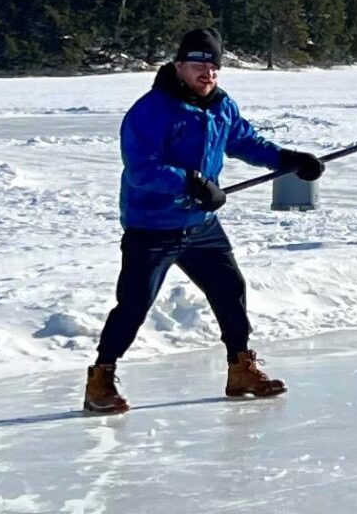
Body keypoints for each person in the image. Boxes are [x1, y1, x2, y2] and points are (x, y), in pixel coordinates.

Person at [83, 27, 324, 416]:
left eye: (213, 66)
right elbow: (142, 169)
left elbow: (245, 141)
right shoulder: (151, 111)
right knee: (134, 304)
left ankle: (240, 369)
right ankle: (100, 378)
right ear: (179, 67)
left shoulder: (221, 106)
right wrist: (192, 183)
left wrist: (288, 159)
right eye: (197, 64)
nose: (206, 73)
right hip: (153, 225)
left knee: (230, 288)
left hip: (199, 224)